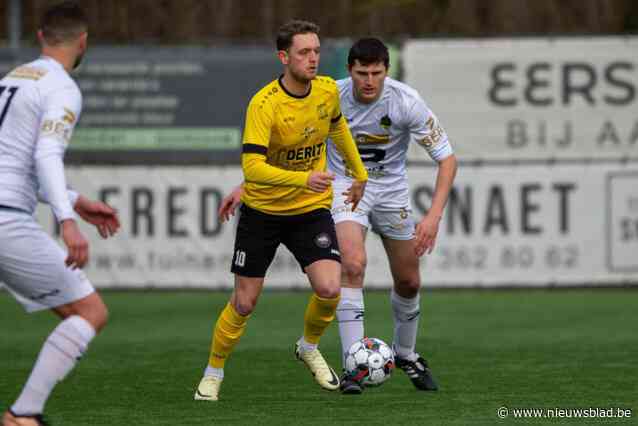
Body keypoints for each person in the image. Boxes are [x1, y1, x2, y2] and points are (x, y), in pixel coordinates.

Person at [219, 37, 458, 395]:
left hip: (392, 192)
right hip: (345, 186)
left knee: (409, 281)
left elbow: (447, 159)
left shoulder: (406, 101)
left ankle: (406, 353)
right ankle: (354, 365)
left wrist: (433, 217)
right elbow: (289, 146)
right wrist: (246, 184)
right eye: (362, 72)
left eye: (377, 73)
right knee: (353, 263)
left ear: (386, 72)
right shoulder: (330, 95)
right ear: (349, 71)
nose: (369, 81)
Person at [194, 20, 368, 402]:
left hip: (310, 210)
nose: (313, 59)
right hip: (263, 211)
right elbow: (252, 168)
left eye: (317, 51)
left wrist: (359, 173)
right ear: (283, 56)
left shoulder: (326, 92)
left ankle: (308, 347)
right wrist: (302, 180)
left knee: (329, 287)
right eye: (304, 52)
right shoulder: (264, 103)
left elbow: (338, 130)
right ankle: (214, 370)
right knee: (244, 302)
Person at [0, 2, 120, 425]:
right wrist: (66, 219)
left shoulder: (12, 79)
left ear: (39, 37)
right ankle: (22, 415)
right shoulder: (61, 87)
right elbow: (46, 152)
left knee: (74, 311)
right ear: (82, 41)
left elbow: (13, 159)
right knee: (89, 312)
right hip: (5, 219)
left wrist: (72, 199)